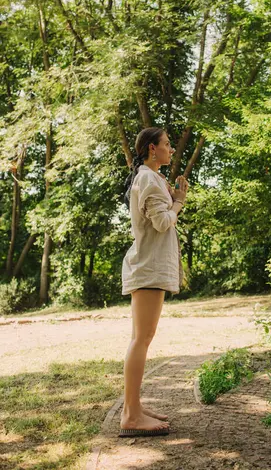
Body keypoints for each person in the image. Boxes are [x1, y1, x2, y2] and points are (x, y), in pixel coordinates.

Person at [119, 127, 189, 437]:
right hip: (148, 269)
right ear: (151, 149)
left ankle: (131, 406)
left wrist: (173, 197)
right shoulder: (148, 178)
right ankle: (132, 416)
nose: (171, 149)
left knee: (141, 337)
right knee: (142, 339)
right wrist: (179, 202)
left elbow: (158, 215)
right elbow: (162, 222)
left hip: (148, 268)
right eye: (167, 144)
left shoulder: (153, 178)